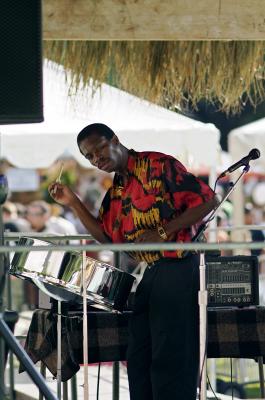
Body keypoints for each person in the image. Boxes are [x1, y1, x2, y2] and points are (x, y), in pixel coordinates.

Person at [48, 123, 217, 400]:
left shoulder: (158, 164)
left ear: (114, 139)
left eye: (99, 149)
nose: (96, 159)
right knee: (139, 357)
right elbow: (107, 237)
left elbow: (208, 201)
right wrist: (73, 202)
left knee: (169, 357)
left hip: (179, 267)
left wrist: (163, 231)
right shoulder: (117, 188)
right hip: (153, 271)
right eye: (89, 157)